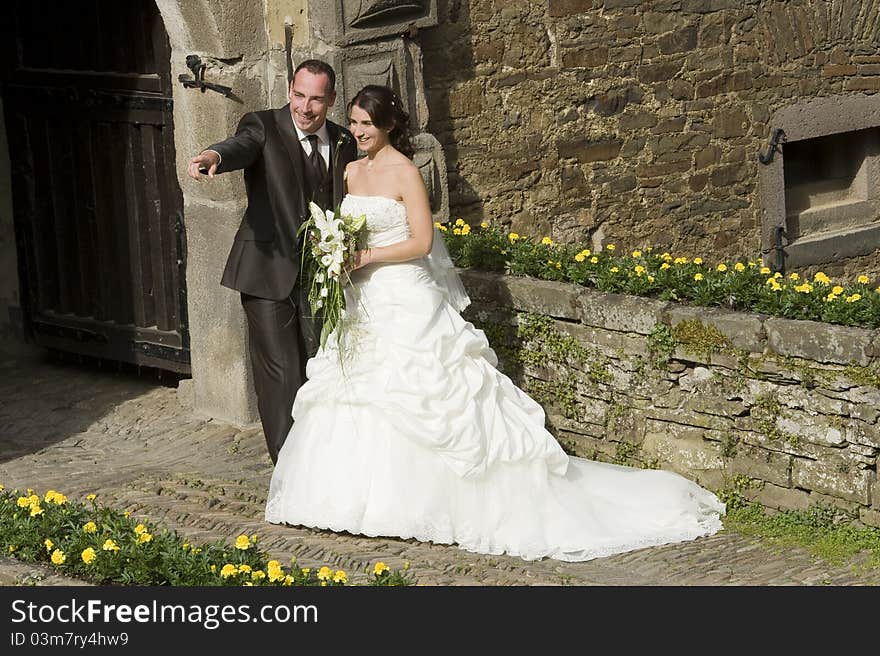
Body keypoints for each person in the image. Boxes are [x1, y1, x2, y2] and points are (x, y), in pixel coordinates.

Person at [264, 84, 725, 562]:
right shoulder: (351, 170)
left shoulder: (405, 172)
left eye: (368, 125)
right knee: (355, 392)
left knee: (426, 393)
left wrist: (366, 255)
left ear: (390, 127)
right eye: (355, 122)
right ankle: (351, 501)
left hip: (405, 296)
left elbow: (422, 242)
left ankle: (432, 504)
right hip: (363, 301)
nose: (358, 132)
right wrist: (337, 253)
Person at [187, 60, 357, 464]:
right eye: (299, 95)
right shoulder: (262, 126)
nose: (305, 107)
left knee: (319, 364)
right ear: (289, 91)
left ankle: (324, 456)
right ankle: (288, 467)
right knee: (281, 371)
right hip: (266, 269)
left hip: (321, 276)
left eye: (316, 99)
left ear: (331, 100)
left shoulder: (345, 141)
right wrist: (214, 154)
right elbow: (239, 145)